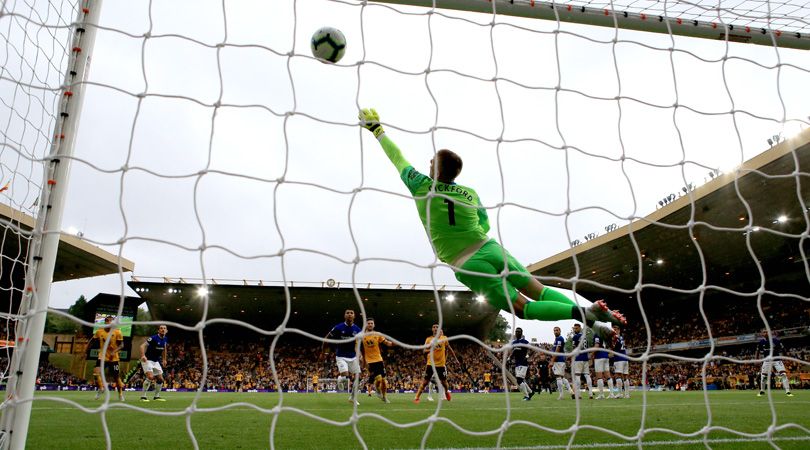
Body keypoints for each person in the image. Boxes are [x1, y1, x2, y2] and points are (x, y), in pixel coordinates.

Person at [358, 108, 626, 339]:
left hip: (468, 263)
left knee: (524, 310)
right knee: (540, 291)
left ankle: (586, 314)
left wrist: (377, 129)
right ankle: (597, 323)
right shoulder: (470, 193)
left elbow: (398, 158)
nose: (428, 161)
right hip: (490, 248)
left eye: (432, 160)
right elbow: (484, 225)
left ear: (436, 170)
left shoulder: (421, 186)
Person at [320, 309, 362, 405]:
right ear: (344, 315)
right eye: (347, 313)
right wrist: (323, 352)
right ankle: (340, 379)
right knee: (345, 376)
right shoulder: (338, 327)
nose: (349, 315)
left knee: (357, 378)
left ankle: (352, 398)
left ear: (354, 316)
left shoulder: (357, 329)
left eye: (351, 313)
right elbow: (326, 339)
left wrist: (360, 355)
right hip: (341, 356)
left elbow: (357, 344)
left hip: (353, 357)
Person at [413, 324, 455, 404]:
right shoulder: (429, 339)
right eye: (434, 327)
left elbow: (448, 348)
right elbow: (424, 351)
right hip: (430, 364)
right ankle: (417, 397)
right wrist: (431, 348)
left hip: (441, 365)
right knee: (425, 382)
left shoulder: (444, 338)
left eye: (437, 327)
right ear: (432, 329)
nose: (435, 328)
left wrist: (450, 358)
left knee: (444, 382)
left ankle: (446, 392)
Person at [88, 316, 125, 401]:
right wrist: (86, 351)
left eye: (111, 321)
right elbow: (92, 341)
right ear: (105, 322)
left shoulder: (117, 332)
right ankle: (101, 389)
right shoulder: (99, 331)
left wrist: (114, 351)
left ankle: (120, 394)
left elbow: (122, 345)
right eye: (108, 321)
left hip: (114, 358)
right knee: (96, 373)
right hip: (102, 356)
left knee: (116, 377)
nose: (110, 323)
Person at [361, 318, 395, 403]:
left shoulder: (377, 334)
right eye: (368, 323)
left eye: (371, 323)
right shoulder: (362, 336)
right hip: (369, 361)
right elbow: (359, 348)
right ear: (366, 325)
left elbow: (386, 343)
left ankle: (384, 397)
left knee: (383, 380)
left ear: (374, 325)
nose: (370, 325)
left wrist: (393, 343)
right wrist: (363, 361)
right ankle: (377, 389)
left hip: (379, 359)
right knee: (379, 379)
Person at [756, 330, 793, 397]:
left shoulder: (776, 341)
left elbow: (783, 349)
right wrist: (756, 359)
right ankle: (762, 391)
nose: (765, 333)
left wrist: (787, 358)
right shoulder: (761, 342)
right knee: (763, 376)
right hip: (767, 361)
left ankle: (788, 391)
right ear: (762, 334)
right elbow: (757, 351)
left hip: (777, 360)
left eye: (766, 332)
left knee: (783, 374)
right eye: (764, 332)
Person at [139, 324, 168, 402]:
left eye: (164, 328)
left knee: (161, 379)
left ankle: (156, 396)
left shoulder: (165, 339)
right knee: (150, 377)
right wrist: (143, 355)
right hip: (147, 360)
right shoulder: (153, 338)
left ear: (166, 330)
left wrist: (164, 359)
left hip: (156, 361)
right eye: (161, 328)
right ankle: (143, 397)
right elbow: (142, 346)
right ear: (158, 330)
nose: (163, 329)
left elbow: (164, 349)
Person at [569, 324, 594, 400]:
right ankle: (590, 393)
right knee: (587, 375)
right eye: (574, 328)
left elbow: (574, 348)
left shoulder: (575, 337)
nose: (575, 330)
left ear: (580, 328)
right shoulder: (585, 337)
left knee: (577, 376)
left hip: (578, 358)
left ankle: (579, 394)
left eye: (576, 328)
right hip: (585, 357)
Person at [509, 327, 534, 401]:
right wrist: (509, 358)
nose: (517, 333)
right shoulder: (513, 343)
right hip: (517, 364)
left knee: (519, 380)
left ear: (521, 333)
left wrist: (527, 356)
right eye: (516, 332)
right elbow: (513, 352)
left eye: (519, 332)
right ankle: (531, 392)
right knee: (521, 380)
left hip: (523, 363)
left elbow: (532, 349)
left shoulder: (525, 342)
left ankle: (527, 396)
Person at [551, 326, 572, 400]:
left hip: (558, 360)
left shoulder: (560, 338)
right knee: (562, 377)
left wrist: (552, 360)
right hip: (560, 360)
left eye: (557, 330)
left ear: (560, 331)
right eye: (554, 330)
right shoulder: (557, 339)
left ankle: (561, 395)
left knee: (558, 377)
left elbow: (558, 349)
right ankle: (571, 391)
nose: (555, 332)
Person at [593, 332, 612, 400]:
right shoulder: (605, 334)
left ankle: (601, 395)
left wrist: (591, 354)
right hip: (606, 355)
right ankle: (611, 394)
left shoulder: (597, 334)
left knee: (599, 376)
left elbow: (597, 346)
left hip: (599, 356)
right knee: (608, 376)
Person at [611, 325, 629, 399]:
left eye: (615, 329)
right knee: (625, 376)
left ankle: (620, 393)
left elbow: (613, 347)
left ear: (619, 330)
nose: (614, 331)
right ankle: (627, 394)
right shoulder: (621, 337)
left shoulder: (615, 338)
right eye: (613, 329)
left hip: (618, 359)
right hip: (625, 358)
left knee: (618, 376)